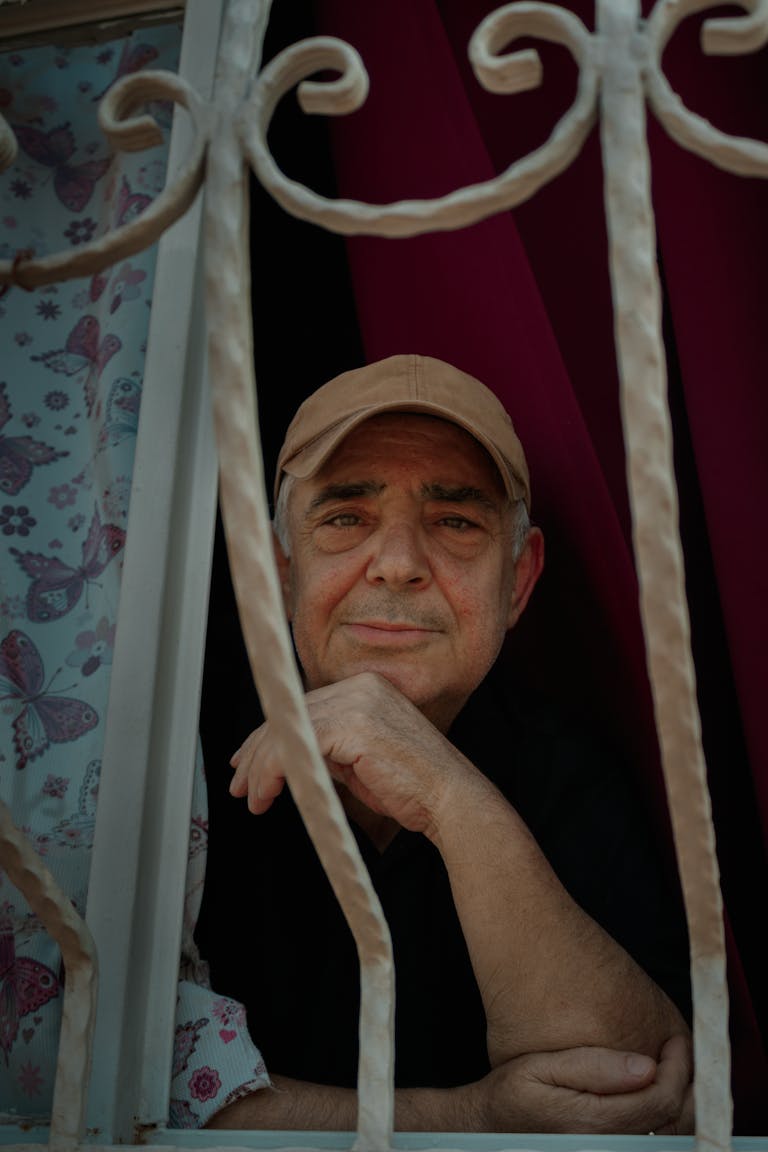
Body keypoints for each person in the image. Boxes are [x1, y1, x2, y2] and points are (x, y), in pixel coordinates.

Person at [196, 353, 694, 1134]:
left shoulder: (566, 767)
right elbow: (110, 1078)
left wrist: (448, 797)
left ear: (519, 582)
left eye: (456, 522)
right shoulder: (178, 760)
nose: (396, 565)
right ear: (279, 571)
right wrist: (469, 1118)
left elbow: (633, 1099)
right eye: (345, 518)